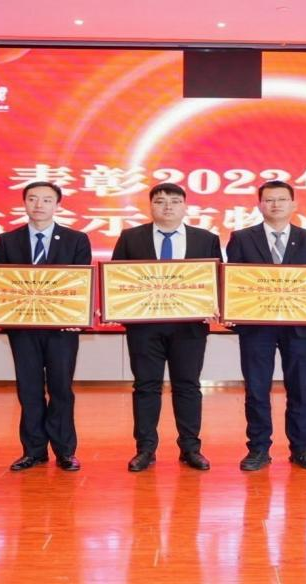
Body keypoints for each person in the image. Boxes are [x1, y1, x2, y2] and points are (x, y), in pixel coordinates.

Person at [110, 183, 222, 472]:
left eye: (174, 201)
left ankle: (190, 448)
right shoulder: (130, 237)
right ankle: (145, 449)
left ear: (185, 206)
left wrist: (216, 305)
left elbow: (217, 280)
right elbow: (118, 279)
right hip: (144, 327)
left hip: (190, 327)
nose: (167, 206)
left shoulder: (206, 239)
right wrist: (114, 307)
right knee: (146, 386)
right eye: (160, 201)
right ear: (151, 206)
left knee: (188, 386)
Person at [0, 181, 90, 472]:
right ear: (24, 203)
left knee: (61, 389)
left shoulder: (76, 240)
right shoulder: (7, 240)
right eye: (32, 199)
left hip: (62, 329)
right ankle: (33, 451)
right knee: (28, 389)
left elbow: (82, 283)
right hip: (23, 329)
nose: (39, 205)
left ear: (58, 205)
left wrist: (78, 316)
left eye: (46, 200)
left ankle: (65, 451)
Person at [226, 180, 306, 471]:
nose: (276, 205)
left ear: (293, 204)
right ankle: (258, 449)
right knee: (257, 389)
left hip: (299, 327)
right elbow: (234, 282)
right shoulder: (242, 238)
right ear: (260, 205)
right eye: (269, 200)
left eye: (282, 199)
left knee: (300, 389)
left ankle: (302, 448)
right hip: (257, 327)